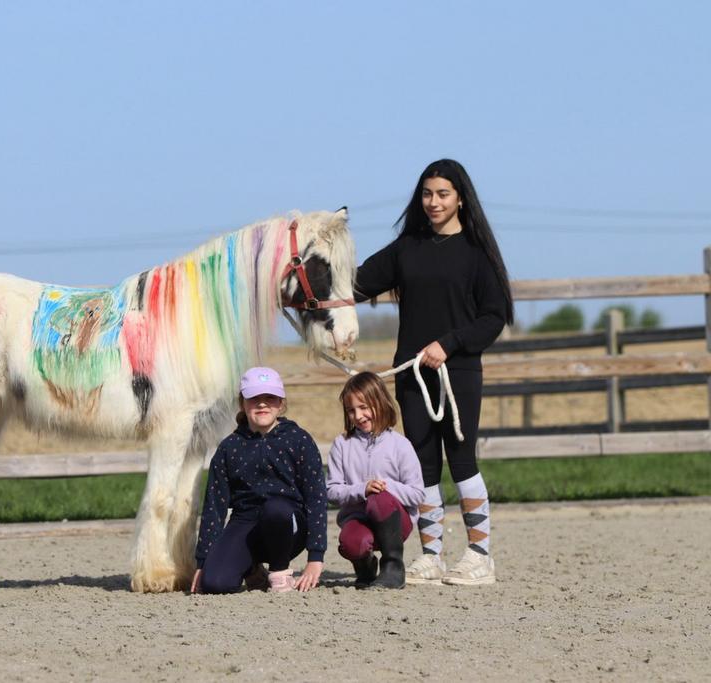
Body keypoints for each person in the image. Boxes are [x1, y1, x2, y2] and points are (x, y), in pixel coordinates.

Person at [353, 159, 514, 586]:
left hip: (457, 372)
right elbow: (356, 284)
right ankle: (431, 557)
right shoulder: (406, 248)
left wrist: (450, 344)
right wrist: (306, 290)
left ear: (460, 198)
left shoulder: (477, 254)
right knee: (422, 465)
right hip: (412, 376)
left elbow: (494, 316)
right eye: (427, 194)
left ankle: (479, 556)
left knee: (462, 461)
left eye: (443, 194)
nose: (434, 202)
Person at [191, 366, 328, 594]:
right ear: (242, 403)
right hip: (245, 522)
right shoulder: (228, 448)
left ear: (281, 403)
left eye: (270, 398)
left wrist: (316, 556)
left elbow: (316, 498)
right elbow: (214, 507)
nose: (262, 404)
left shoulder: (299, 440)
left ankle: (279, 572)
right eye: (254, 398)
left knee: (275, 510)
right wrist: (203, 560)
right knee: (215, 583)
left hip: (288, 524)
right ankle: (252, 569)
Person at [326, 371, 424, 589]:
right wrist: (362, 489)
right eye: (351, 410)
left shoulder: (400, 445)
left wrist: (385, 487)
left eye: (364, 407)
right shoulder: (341, 444)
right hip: (358, 518)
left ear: (380, 402)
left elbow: (418, 494)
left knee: (379, 499)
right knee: (351, 543)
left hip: (395, 523)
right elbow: (331, 491)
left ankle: (393, 566)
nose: (358, 416)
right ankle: (365, 565)